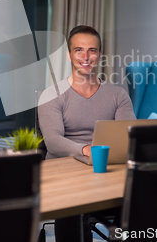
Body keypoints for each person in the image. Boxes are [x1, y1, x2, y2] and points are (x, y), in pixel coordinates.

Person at [38, 25, 136, 242]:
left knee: (140, 193)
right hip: (66, 171)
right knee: (73, 206)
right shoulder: (51, 95)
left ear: (100, 55)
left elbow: (130, 136)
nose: (85, 56)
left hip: (107, 168)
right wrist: (85, 149)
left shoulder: (117, 95)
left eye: (92, 50)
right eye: (79, 50)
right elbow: (53, 142)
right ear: (69, 55)